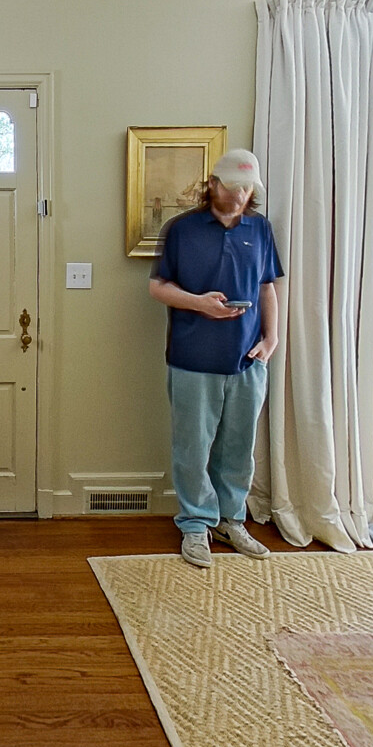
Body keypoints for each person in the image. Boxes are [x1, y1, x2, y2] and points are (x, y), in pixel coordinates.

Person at [148, 148, 284, 568]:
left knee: (239, 449)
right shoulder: (182, 229)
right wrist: (199, 303)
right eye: (234, 186)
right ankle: (195, 524)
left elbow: (266, 287)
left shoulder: (260, 228)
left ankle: (230, 520)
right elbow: (157, 287)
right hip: (192, 358)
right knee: (192, 448)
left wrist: (272, 339)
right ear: (213, 184)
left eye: (247, 188)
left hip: (248, 360)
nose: (241, 194)